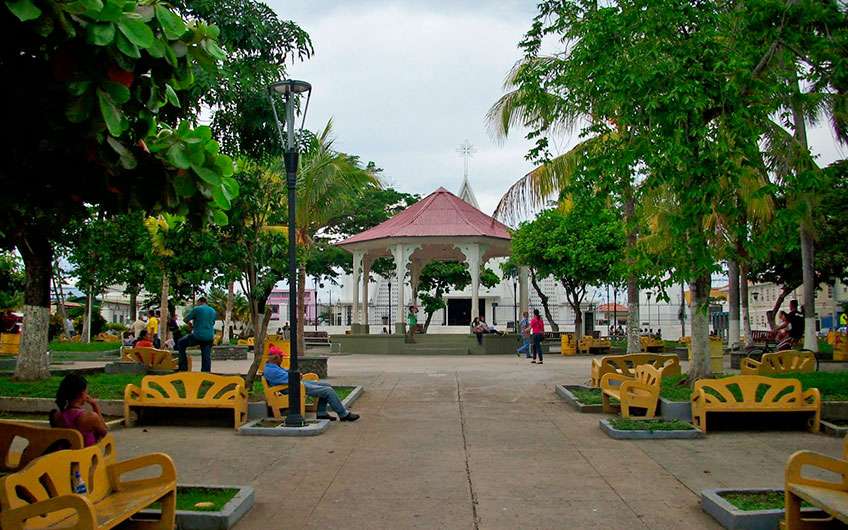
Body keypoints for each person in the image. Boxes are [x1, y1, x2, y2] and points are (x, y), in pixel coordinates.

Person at [264, 346, 359, 421]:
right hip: (293, 388)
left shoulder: (273, 367)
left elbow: (288, 374)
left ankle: (321, 413)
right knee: (328, 391)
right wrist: (297, 376)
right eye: (281, 357)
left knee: (326, 386)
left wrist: (296, 375)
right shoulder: (272, 370)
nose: (282, 359)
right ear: (276, 358)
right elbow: (291, 378)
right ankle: (343, 414)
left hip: (293, 385)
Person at [48, 374, 108, 447]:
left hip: (65, 456)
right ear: (82, 394)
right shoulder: (89, 417)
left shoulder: (55, 416)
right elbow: (105, 433)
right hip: (87, 456)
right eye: (87, 392)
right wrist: (95, 405)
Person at [177, 297, 216, 372]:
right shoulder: (213, 311)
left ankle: (183, 368)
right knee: (206, 354)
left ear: (200, 302)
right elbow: (213, 323)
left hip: (197, 336)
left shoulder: (197, 309)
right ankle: (206, 372)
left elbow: (185, 319)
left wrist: (191, 326)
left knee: (181, 343)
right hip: (209, 336)